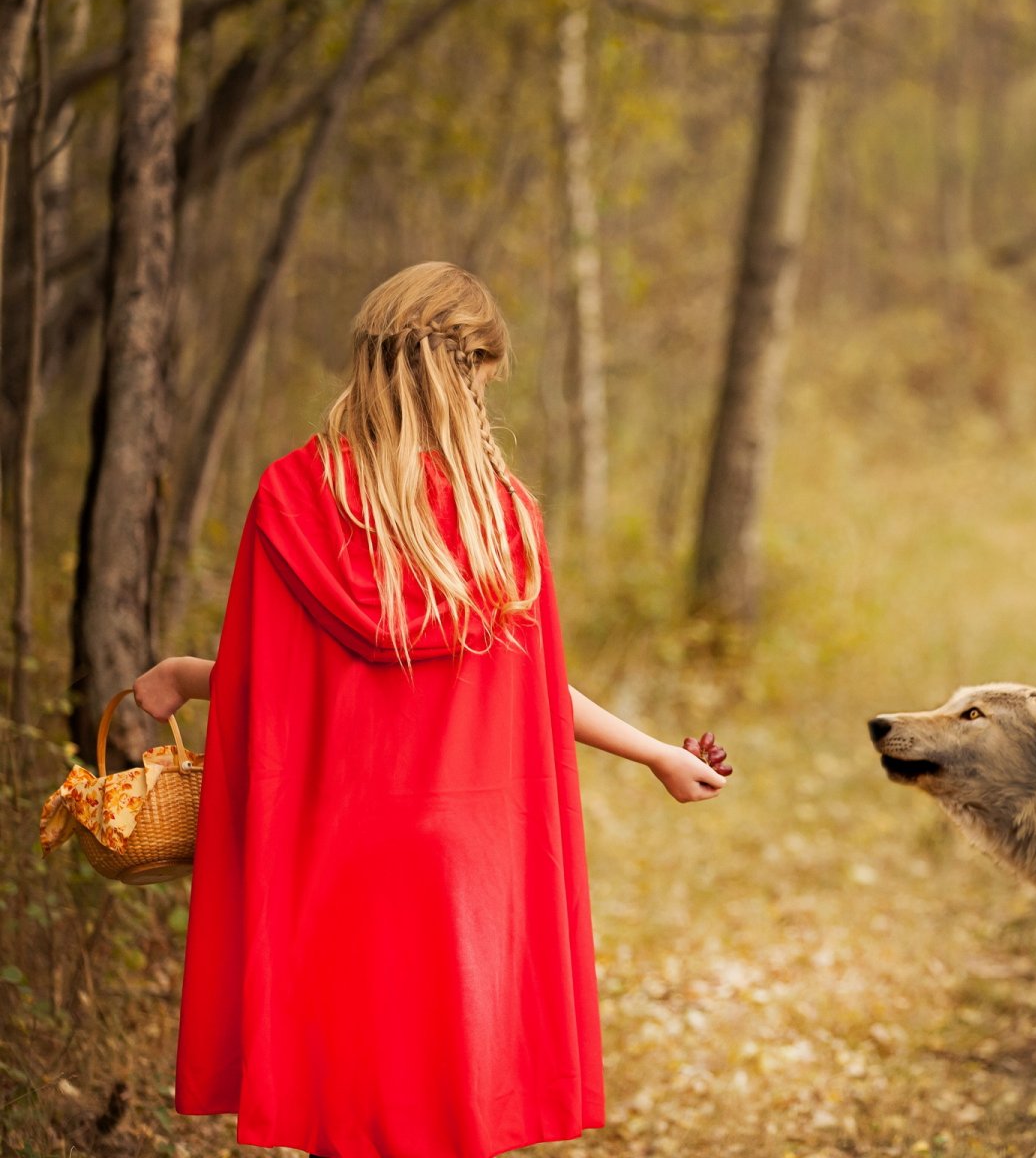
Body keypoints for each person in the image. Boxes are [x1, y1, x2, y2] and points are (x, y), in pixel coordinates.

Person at [130, 261, 730, 1158]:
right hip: (463, 864)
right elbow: (531, 693)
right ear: (466, 372)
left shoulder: (294, 498)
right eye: (485, 383)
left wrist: (184, 672)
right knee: (449, 1111)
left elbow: (278, 684)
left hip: (336, 854)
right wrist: (653, 753)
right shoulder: (500, 522)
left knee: (351, 1105)